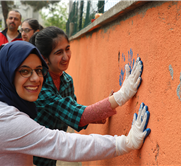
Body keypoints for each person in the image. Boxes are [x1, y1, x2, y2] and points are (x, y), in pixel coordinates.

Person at [0, 41, 151, 166]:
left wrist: (105, 109)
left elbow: (80, 114)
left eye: (38, 70)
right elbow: (65, 141)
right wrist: (125, 142)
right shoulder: (5, 118)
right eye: (24, 71)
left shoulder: (1, 96)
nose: (35, 78)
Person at [30, 26, 144, 166]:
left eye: (67, 49)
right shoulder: (39, 85)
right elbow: (78, 115)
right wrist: (122, 95)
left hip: (50, 157)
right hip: (30, 158)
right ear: (44, 58)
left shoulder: (66, 81)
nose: (66, 57)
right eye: (59, 52)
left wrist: (102, 111)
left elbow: (74, 114)